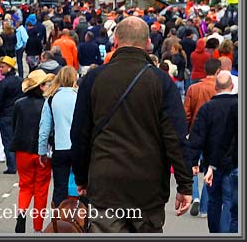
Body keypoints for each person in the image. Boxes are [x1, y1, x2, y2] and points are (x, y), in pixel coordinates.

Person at [71, 16, 193, 233]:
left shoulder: (94, 79)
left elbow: (80, 134)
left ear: (115, 41)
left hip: (105, 181)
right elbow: (175, 137)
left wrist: (81, 176)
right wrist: (185, 184)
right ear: (148, 44)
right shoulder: (161, 81)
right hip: (147, 185)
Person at [188, 71, 237, 233]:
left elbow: (197, 137)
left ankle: (215, 232)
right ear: (231, 86)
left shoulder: (207, 109)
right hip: (233, 161)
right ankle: (227, 233)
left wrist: (193, 162)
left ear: (216, 87)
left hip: (211, 162)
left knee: (214, 200)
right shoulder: (237, 106)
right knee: (230, 201)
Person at [11, 69, 52, 233]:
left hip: (22, 149)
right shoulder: (47, 104)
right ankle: (37, 227)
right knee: (41, 189)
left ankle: (21, 212)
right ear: (41, 86)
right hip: (41, 151)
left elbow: (14, 126)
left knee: (25, 186)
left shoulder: (19, 104)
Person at [38, 66, 78, 208]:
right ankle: (84, 221)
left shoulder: (51, 99)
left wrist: (42, 151)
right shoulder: (79, 97)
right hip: (78, 147)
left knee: (60, 189)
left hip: (60, 147)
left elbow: (44, 128)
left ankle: (58, 221)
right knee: (82, 188)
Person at [203, 89, 238, 233]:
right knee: (231, 205)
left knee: (231, 208)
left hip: (233, 163)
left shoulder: (235, 106)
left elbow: (225, 140)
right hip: (233, 163)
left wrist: (212, 165)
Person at [0, 56, 24, 174]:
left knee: (7, 140)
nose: (0, 69)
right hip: (19, 115)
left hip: (5, 115)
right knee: (18, 140)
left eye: (3, 67)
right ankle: (19, 163)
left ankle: (12, 166)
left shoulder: (3, 83)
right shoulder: (20, 81)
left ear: (10, 68)